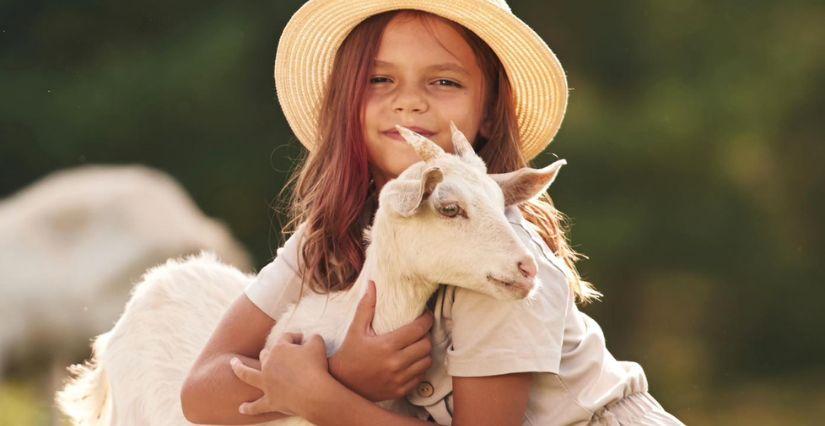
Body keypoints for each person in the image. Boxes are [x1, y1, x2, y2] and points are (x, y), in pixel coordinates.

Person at [181, 1, 684, 425]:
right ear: (344, 103)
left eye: (443, 82)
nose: (409, 103)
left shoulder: (499, 265)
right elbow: (200, 393)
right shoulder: (327, 239)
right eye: (380, 79)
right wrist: (344, 373)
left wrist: (325, 397)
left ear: (490, 113)